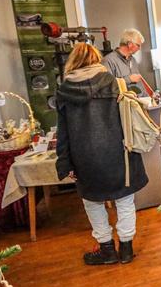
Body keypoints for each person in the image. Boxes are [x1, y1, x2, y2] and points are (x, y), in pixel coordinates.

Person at [56, 43, 148, 265]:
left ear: (73, 62)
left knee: (93, 202)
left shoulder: (64, 91)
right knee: (125, 200)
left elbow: (63, 132)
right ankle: (126, 249)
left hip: (84, 157)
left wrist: (64, 162)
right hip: (118, 151)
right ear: (96, 60)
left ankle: (106, 250)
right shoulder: (114, 83)